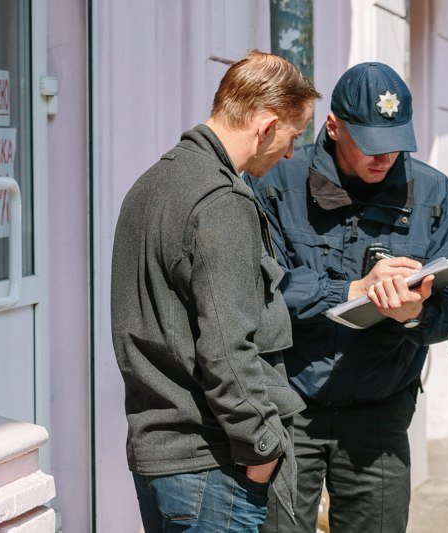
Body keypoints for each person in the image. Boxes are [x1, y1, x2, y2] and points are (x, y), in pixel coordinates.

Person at [246, 62, 448, 532]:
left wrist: (416, 314)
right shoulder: (275, 183)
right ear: (333, 127)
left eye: (397, 145)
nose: (385, 159)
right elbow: (257, 292)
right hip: (289, 409)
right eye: (371, 145)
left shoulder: (433, 193)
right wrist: (349, 291)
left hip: (380, 414)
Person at [110, 51, 320, 532]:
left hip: (165, 458)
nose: (291, 153)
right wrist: (262, 446)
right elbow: (228, 349)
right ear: (266, 126)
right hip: (212, 465)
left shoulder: (152, 183)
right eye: (292, 136)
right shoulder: (220, 200)